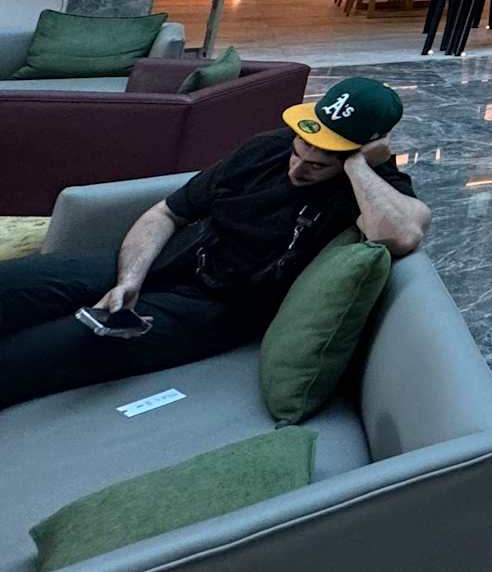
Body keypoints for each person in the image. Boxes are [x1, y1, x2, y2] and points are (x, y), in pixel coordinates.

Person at [0, 75, 430, 410]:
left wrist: (357, 165)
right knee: (12, 284)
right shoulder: (269, 148)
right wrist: (129, 280)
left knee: (30, 356)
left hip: (211, 308)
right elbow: (166, 213)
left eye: (318, 165)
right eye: (300, 149)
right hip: (165, 260)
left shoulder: (374, 188)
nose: (297, 170)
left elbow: (402, 234)